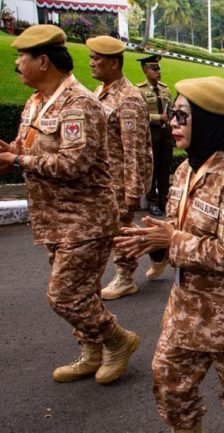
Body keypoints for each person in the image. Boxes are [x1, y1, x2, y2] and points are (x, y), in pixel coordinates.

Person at [115, 76, 224, 433]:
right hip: (187, 306)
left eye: (181, 116)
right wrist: (153, 240)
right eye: (173, 114)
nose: (172, 122)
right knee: (168, 381)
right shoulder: (186, 169)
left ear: (207, 121)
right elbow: (178, 226)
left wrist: (171, 240)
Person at [0, 24, 139, 384]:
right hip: (54, 219)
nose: (17, 64)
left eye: (22, 57)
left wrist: (18, 161)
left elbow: (73, 164)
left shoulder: (79, 104)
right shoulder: (36, 101)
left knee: (64, 296)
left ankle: (118, 340)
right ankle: (92, 353)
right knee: (84, 292)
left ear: (43, 61)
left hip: (85, 219)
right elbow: (30, 148)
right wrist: (12, 152)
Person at [86, 35, 153, 301]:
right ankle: (160, 250)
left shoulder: (129, 99)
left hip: (120, 179)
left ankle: (125, 277)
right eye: (90, 58)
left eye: (97, 59)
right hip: (102, 177)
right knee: (110, 227)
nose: (91, 63)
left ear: (113, 63)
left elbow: (134, 148)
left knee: (120, 228)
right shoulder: (100, 91)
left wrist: (133, 190)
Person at [137, 54, 174, 219]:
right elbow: (141, 115)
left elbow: (170, 108)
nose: (158, 71)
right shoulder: (140, 91)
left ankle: (164, 200)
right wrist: (160, 118)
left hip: (166, 133)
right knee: (152, 168)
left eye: (159, 68)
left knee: (165, 168)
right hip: (152, 132)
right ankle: (152, 201)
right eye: (154, 68)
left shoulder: (165, 89)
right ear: (145, 70)